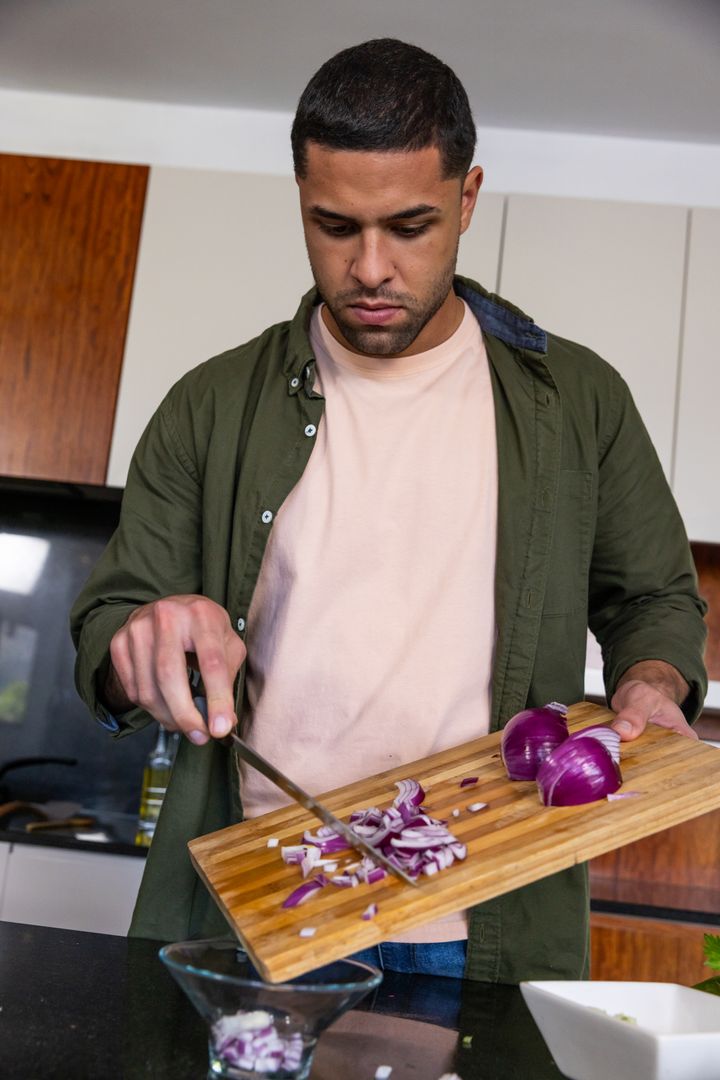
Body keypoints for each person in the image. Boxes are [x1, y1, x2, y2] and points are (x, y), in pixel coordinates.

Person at [71, 38, 707, 982]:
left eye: (409, 227)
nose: (371, 268)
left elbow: (652, 597)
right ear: (300, 202)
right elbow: (106, 633)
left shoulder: (579, 400)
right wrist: (142, 639)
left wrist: (653, 682)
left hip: (484, 920)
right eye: (335, 226)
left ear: (468, 198)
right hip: (261, 906)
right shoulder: (209, 405)